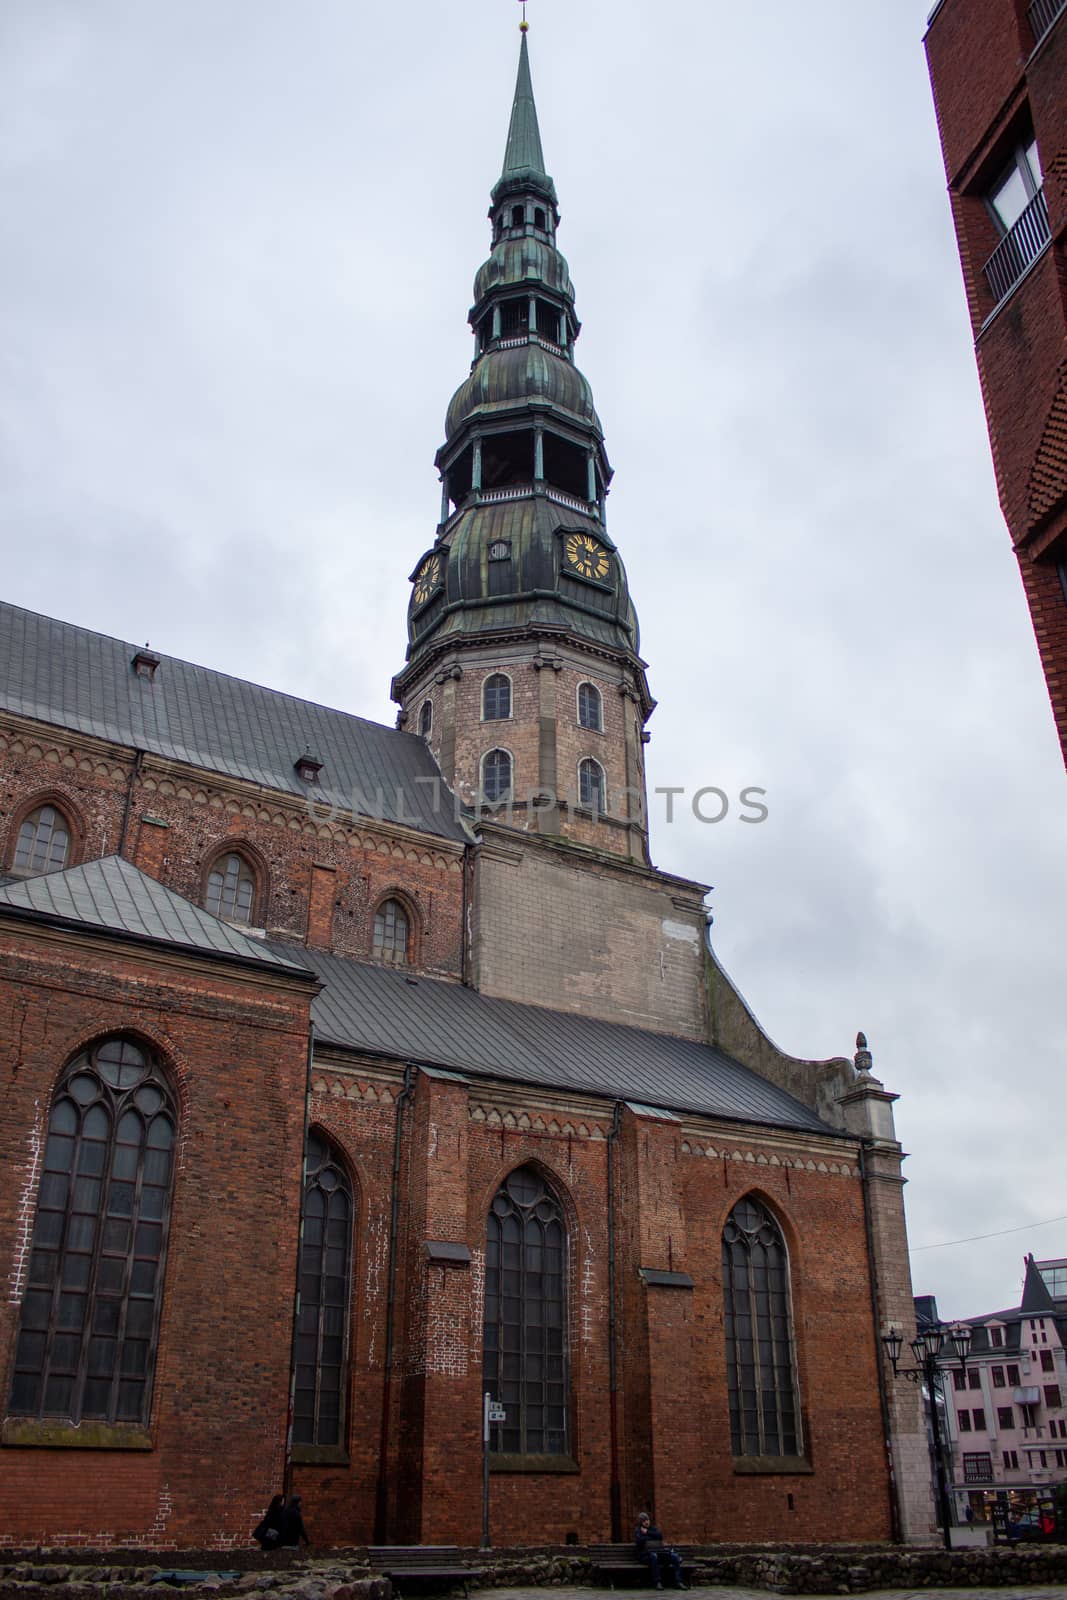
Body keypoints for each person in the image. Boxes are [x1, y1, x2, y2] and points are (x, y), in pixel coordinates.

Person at [634, 1512, 685, 1590]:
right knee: (654, 1556)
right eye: (644, 1520)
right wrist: (652, 1537)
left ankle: (678, 1582)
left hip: (659, 1553)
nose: (647, 1522)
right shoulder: (638, 1530)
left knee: (675, 1557)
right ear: (641, 1522)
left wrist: (647, 1533)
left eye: (647, 1520)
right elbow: (640, 1540)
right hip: (645, 1556)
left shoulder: (653, 1529)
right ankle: (657, 1582)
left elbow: (660, 1536)